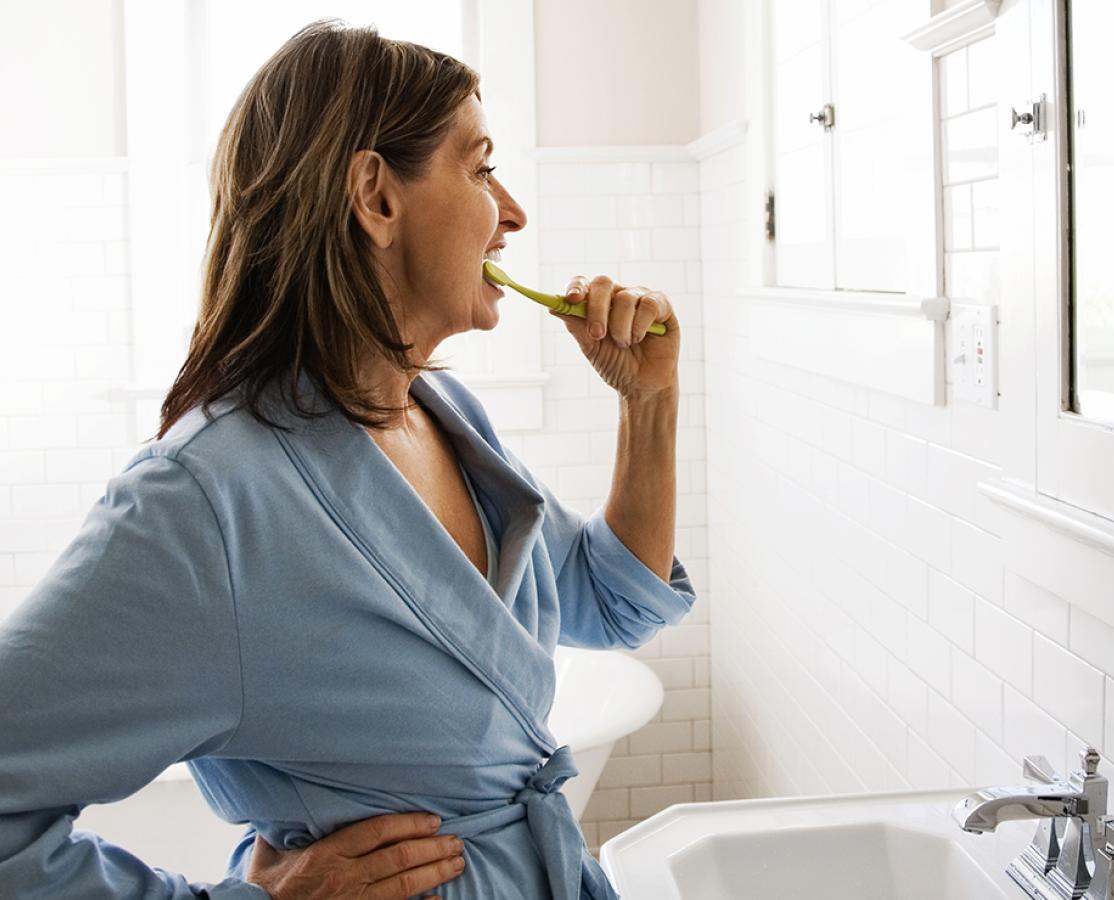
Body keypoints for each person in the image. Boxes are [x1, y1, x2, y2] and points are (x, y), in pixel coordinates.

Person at [0, 19, 696, 900]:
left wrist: (650, 402)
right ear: (376, 196)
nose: (512, 212)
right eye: (480, 168)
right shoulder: (208, 504)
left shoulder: (441, 417)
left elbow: (609, 600)